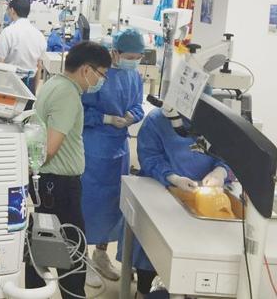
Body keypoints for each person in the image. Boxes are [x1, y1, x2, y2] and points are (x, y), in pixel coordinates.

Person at [26, 41, 112, 299]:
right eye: (101, 74)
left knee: (41, 245)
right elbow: (51, 147)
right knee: (73, 252)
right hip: (59, 185)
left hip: (48, 182)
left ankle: (34, 293)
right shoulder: (67, 95)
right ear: (86, 70)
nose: (100, 81)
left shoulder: (53, 83)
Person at [119, 108, 230, 298]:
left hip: (203, 198)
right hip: (161, 192)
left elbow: (228, 153)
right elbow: (150, 157)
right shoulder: (156, 120)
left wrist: (220, 171)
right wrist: (173, 177)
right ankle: (144, 290)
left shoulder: (215, 121)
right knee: (152, 253)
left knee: (193, 264)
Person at [80, 29, 146, 288]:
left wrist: (131, 116)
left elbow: (138, 106)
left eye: (138, 58)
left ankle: (101, 254)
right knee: (89, 205)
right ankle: (81, 258)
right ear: (115, 53)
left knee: (113, 205)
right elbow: (80, 110)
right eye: (129, 57)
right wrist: (106, 118)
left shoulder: (134, 76)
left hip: (119, 149)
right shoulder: (98, 75)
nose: (134, 62)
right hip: (94, 148)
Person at [0, 0, 46, 91]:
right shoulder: (39, 35)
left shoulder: (8, 32)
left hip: (10, 84)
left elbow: (0, 63)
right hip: (30, 83)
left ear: (12, 10)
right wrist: (34, 92)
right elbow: (39, 65)